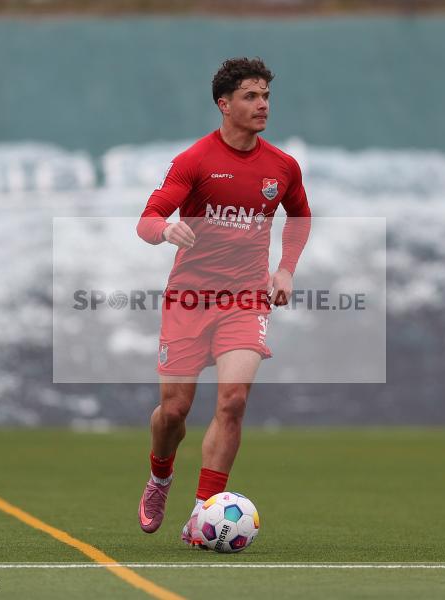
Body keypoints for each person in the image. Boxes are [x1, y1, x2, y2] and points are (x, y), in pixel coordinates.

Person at [135, 57, 311, 546]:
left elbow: (298, 216)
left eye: (266, 96)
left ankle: (203, 514)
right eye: (251, 96)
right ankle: (160, 478)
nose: (262, 106)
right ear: (224, 103)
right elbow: (147, 217)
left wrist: (285, 268)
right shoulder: (195, 161)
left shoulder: (282, 166)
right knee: (174, 411)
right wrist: (167, 229)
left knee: (232, 402)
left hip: (246, 300)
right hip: (189, 300)